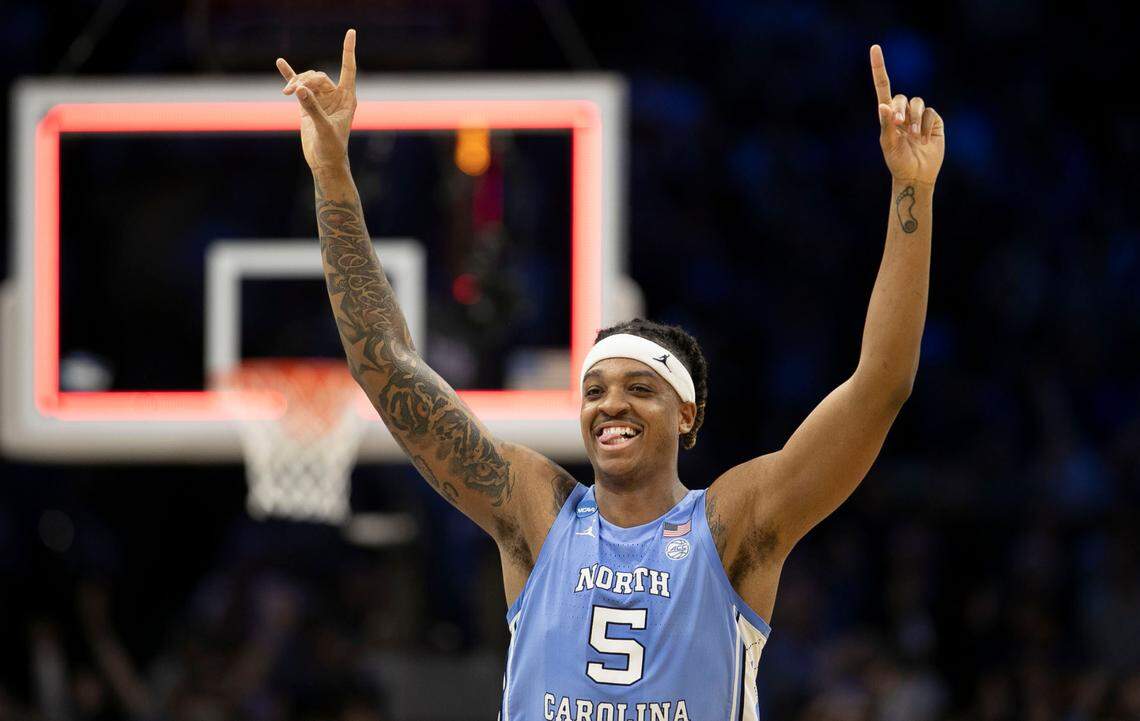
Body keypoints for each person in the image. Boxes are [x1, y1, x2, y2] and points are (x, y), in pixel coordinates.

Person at [277, 30, 944, 719]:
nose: (610, 403)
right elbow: (385, 366)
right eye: (595, 388)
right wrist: (333, 176)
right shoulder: (535, 510)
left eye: (639, 387)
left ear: (687, 414)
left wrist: (912, 193)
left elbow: (882, 384)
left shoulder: (733, 523)